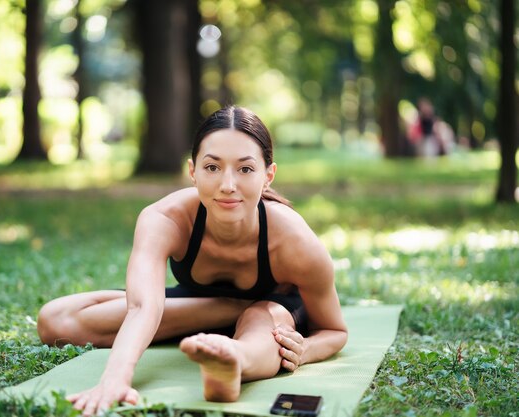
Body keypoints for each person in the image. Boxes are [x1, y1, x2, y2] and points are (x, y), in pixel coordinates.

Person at [36, 106, 348, 417]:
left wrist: (305, 350)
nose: (228, 184)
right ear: (193, 172)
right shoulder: (164, 218)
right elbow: (143, 307)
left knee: (261, 318)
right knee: (57, 320)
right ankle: (229, 317)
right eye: (212, 167)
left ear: (268, 176)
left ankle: (231, 361)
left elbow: (334, 331)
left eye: (245, 169)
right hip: (202, 307)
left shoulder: (294, 240)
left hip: (272, 312)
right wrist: (115, 378)